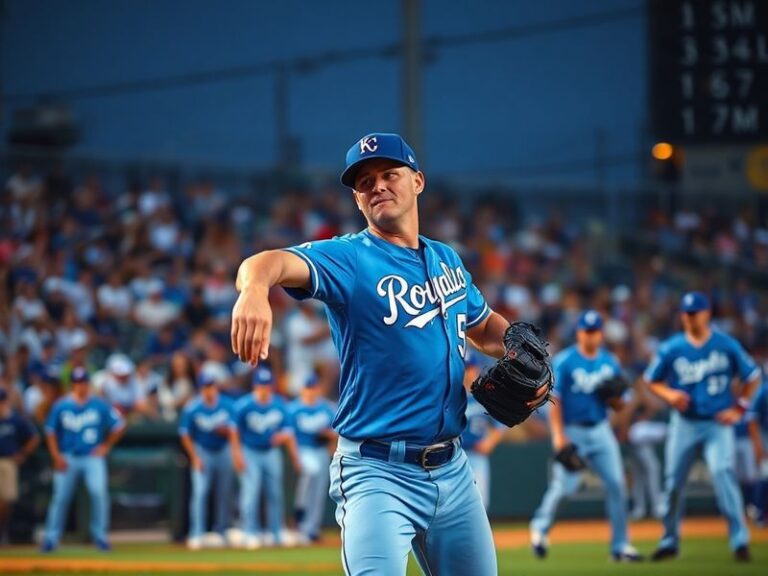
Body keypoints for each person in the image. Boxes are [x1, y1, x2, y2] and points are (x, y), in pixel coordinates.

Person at [230, 132, 547, 575]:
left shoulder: (447, 260)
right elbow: (268, 262)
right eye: (364, 182)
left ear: (417, 181)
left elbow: (482, 326)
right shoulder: (350, 258)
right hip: (377, 472)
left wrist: (514, 342)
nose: (376, 185)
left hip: (452, 470)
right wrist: (254, 290)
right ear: (358, 201)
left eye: (388, 174)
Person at [644, 292, 762, 562]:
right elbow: (651, 379)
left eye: (694, 312)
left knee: (723, 472)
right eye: (686, 313)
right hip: (684, 423)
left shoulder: (725, 344)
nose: (689, 317)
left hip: (716, 423)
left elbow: (753, 376)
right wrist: (669, 395)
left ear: (707, 313)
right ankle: (669, 540)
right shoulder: (672, 347)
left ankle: (739, 541)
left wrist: (740, 408)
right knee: (673, 482)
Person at [529, 310, 643, 562]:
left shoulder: (610, 362)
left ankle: (621, 545)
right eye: (586, 331)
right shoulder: (565, 361)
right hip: (572, 430)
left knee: (617, 485)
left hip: (601, 430)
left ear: (600, 334)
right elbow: (554, 400)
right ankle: (540, 528)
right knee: (565, 489)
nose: (590, 336)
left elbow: (620, 405)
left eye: (594, 331)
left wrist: (614, 398)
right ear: (579, 332)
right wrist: (558, 436)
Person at [40, 367, 125, 552]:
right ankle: (51, 538)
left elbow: (119, 425)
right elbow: (50, 432)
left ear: (88, 383)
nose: (81, 386)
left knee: (99, 493)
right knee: (60, 498)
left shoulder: (99, 404)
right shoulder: (62, 405)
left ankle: (100, 536)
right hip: (68, 456)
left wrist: (106, 446)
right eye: (78, 382)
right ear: (73, 385)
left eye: (84, 382)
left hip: (92, 457)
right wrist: (56, 456)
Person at [229, 365, 299, 550]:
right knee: (250, 493)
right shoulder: (244, 404)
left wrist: (290, 449)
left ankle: (276, 532)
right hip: (250, 451)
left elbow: (289, 431)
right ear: (255, 386)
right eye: (261, 385)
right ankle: (250, 532)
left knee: (274, 493)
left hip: (270, 451)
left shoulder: (278, 404)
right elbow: (233, 431)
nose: (264, 388)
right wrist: (236, 454)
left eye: (267, 385)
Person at [178, 372, 235, 550]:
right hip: (202, 450)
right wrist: (194, 457)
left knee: (224, 493)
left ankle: (222, 530)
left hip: (223, 450)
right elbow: (185, 435)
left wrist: (226, 433)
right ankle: (197, 533)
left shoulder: (227, 405)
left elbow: (234, 431)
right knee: (200, 493)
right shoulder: (192, 408)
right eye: (205, 387)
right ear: (201, 389)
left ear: (215, 387)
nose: (208, 390)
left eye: (211, 386)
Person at [289, 373, 336, 543]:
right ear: (303, 390)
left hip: (320, 450)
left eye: (313, 388)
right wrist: (294, 456)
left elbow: (337, 431)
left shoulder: (326, 408)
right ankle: (300, 514)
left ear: (317, 389)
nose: (310, 391)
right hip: (304, 449)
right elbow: (289, 435)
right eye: (307, 388)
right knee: (311, 472)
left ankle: (312, 528)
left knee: (319, 490)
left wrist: (329, 438)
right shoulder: (294, 409)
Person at [460, 351, 504, 510]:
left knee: (480, 504)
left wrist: (490, 441)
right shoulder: (449, 396)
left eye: (468, 368)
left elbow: (500, 424)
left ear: (476, 369)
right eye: (462, 368)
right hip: (453, 456)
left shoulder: (484, 396)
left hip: (476, 456)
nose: (465, 373)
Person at [0, 387, 40, 544]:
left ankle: (2, 532)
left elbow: (34, 438)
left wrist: (23, 453)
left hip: (9, 462)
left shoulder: (15, 420)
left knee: (7, 500)